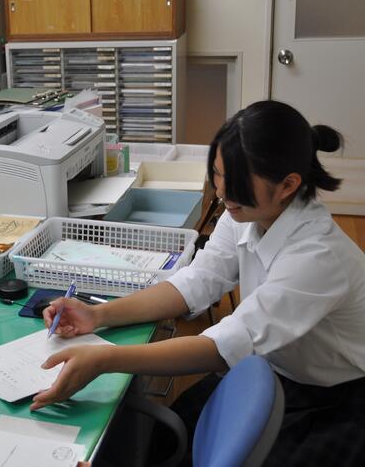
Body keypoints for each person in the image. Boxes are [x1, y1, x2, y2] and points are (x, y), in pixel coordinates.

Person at [31, 101, 365, 465]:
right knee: (164, 440)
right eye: (218, 173)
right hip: (273, 367)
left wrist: (105, 359)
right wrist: (99, 315)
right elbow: (194, 283)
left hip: (336, 396)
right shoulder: (246, 211)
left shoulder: (316, 257)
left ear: (288, 185)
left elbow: (220, 347)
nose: (222, 192)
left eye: (237, 182)